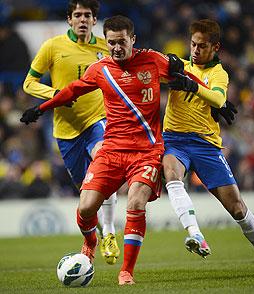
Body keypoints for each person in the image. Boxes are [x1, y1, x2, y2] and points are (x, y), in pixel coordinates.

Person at [20, 15, 186, 285]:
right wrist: (40, 108)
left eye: (122, 42)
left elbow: (187, 73)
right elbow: (72, 90)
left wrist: (213, 98)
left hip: (146, 151)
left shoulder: (154, 60)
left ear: (133, 39)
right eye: (112, 43)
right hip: (112, 150)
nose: (117, 47)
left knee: (135, 203)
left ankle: (126, 272)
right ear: (106, 42)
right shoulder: (100, 69)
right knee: (86, 208)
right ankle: (91, 242)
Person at [163, 19, 254, 277]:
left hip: (206, 145)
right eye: (193, 44)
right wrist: (164, 60)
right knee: (171, 174)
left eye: (202, 46)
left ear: (215, 47)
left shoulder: (219, 74)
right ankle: (195, 234)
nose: (195, 50)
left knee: (237, 208)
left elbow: (218, 98)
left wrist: (192, 84)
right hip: (174, 140)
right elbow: (151, 65)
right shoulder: (179, 67)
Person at [22, 0, 119, 265]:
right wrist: (54, 94)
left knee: (105, 165)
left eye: (88, 15)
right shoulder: (52, 46)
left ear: (94, 19)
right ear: (69, 19)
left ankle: (110, 233)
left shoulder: (105, 47)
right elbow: (29, 83)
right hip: (66, 132)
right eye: (78, 15)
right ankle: (91, 241)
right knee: (86, 196)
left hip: (98, 121)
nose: (83, 19)